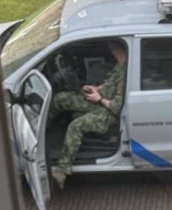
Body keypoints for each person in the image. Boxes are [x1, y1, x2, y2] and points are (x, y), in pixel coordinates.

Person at [49, 40, 127, 189]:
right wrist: (96, 89)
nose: (112, 53)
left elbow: (116, 107)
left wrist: (100, 98)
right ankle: (44, 128)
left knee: (75, 126)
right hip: (100, 100)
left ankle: (62, 171)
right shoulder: (121, 65)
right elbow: (110, 83)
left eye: (114, 50)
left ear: (120, 51)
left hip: (108, 112)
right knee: (61, 99)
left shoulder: (126, 72)